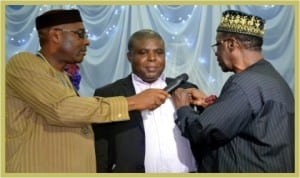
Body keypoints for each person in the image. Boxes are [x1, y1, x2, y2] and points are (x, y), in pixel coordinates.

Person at [5, 9, 169, 173]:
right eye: (80, 34)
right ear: (56, 35)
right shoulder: (24, 63)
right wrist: (132, 102)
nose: (87, 41)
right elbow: (63, 109)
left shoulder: (62, 77)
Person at [171, 10, 294, 172]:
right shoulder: (272, 77)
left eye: (217, 45)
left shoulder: (243, 83)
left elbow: (202, 132)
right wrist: (213, 107)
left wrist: (183, 108)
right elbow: (252, 122)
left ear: (230, 44)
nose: (216, 53)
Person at [93, 29, 198, 173]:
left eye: (159, 52)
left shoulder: (186, 89)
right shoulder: (108, 94)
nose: (152, 58)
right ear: (130, 56)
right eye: (143, 52)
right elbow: (102, 151)